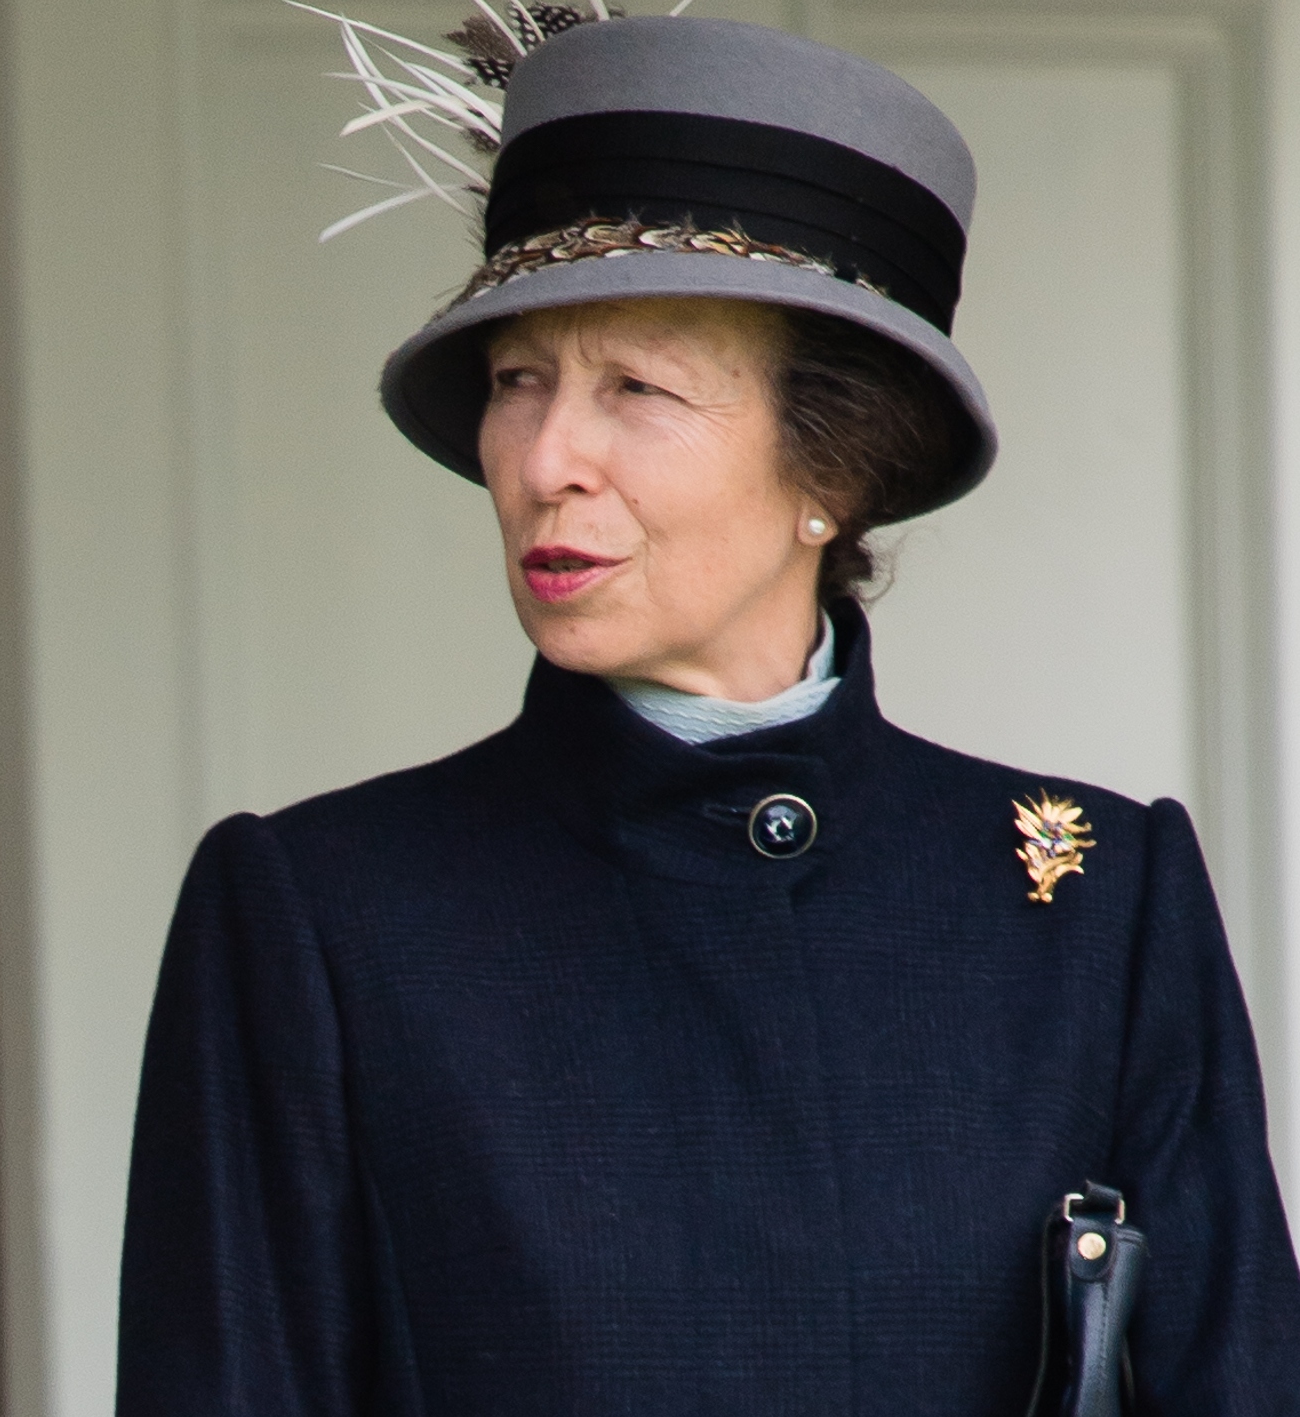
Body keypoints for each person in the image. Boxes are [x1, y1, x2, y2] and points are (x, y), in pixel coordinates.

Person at [117, 14, 1300, 1415]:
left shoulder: (1094, 899)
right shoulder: (317, 914)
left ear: (832, 469)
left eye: (635, 387)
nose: (546, 458)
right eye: (516, 382)